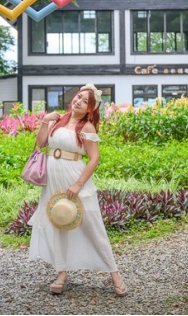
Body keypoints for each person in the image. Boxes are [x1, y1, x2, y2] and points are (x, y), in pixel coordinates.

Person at [27, 84, 128, 297]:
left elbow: (94, 159)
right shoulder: (59, 119)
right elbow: (41, 143)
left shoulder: (87, 127)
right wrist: (45, 122)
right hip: (53, 177)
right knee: (57, 222)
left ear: (90, 109)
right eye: (78, 97)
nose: (78, 102)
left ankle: (115, 274)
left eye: (84, 101)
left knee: (91, 223)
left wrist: (78, 185)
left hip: (74, 176)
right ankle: (61, 273)